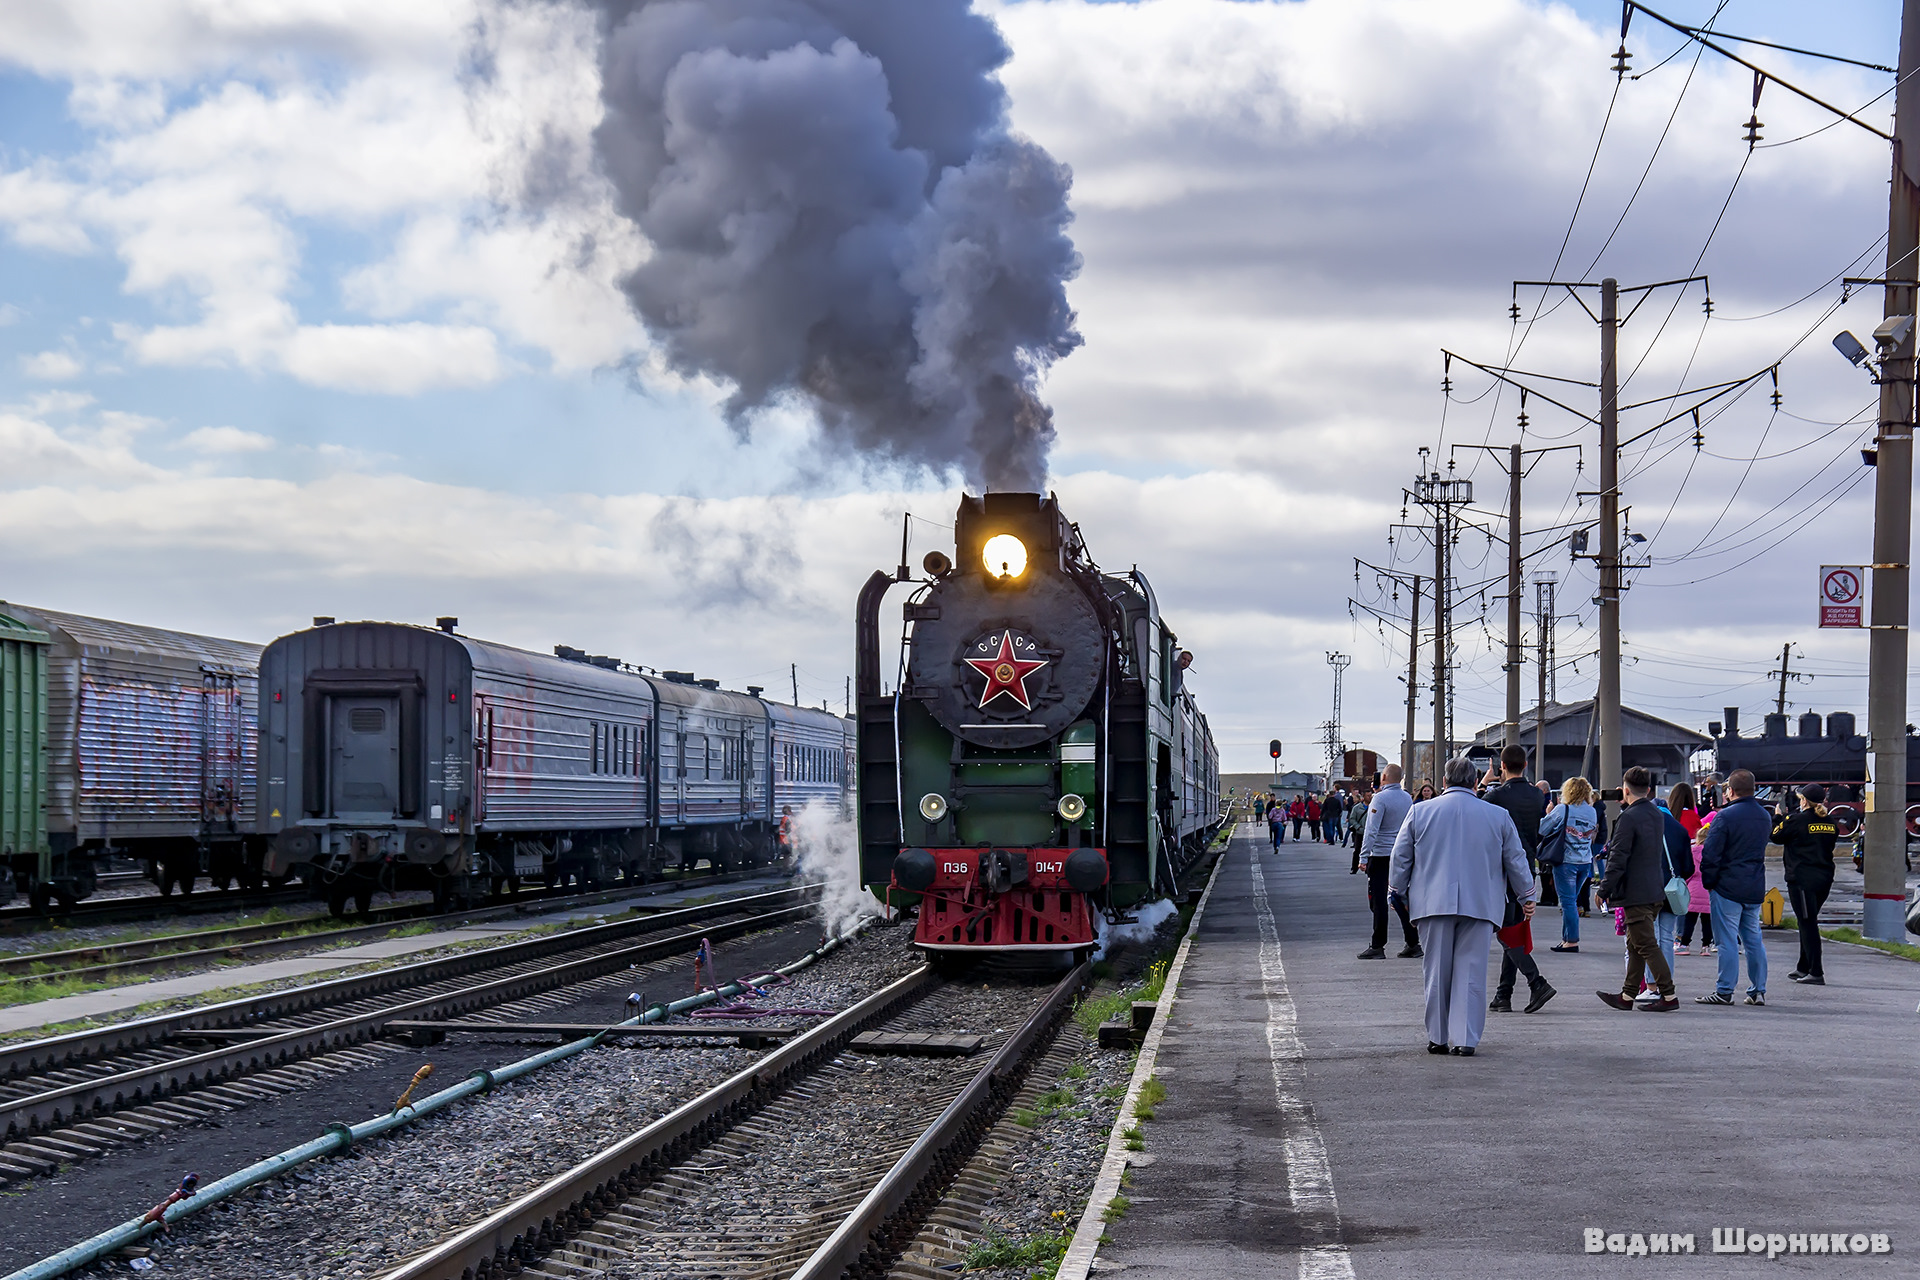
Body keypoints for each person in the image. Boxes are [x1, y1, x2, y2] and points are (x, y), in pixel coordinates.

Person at [1388, 756, 1535, 1055]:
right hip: (1480, 903)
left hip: (1432, 902)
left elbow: (1400, 856)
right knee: (1471, 970)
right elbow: (1516, 860)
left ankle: (1438, 1037)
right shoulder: (1497, 815)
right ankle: (1465, 1039)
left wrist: (1396, 891)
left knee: (1436, 970)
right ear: (1473, 781)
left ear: (1444, 781)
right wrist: (1527, 895)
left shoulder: (1420, 812)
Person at [1595, 766, 1679, 1012]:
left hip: (1636, 893)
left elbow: (1618, 856)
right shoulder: (1656, 814)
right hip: (1654, 889)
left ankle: (1669, 995)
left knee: (1646, 946)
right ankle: (1627, 995)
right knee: (1635, 944)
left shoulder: (1629, 817)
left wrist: (1604, 888)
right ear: (1650, 790)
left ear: (1626, 789)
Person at [1482, 745, 1555, 1015]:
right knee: (1512, 928)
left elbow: (1474, 807)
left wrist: (1484, 781)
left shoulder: (1496, 796)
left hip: (1502, 869)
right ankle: (1504, 994)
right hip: (1528, 865)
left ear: (1502, 766)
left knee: (1505, 931)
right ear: (1525, 765)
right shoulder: (1537, 795)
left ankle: (1537, 982)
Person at [1697, 769, 1770, 1006]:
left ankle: (1724, 990)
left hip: (1727, 886)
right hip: (1754, 884)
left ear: (1730, 790)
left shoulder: (1725, 817)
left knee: (1727, 940)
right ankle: (1758, 990)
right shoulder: (1764, 815)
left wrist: (1709, 882)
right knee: (1753, 939)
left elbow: (1711, 853)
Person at [1774, 783, 1839, 986]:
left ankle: (1816, 971)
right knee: (1808, 920)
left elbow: (1775, 836)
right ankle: (1804, 966)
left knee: (1807, 923)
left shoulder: (1796, 820)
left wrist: (1778, 817)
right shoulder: (1830, 822)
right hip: (1824, 878)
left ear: (1803, 801)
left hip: (1802, 879)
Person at [1358, 766, 1420, 960]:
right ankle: (1412, 942)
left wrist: (1363, 856)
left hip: (1381, 854)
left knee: (1378, 902)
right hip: (1401, 854)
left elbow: (1371, 830)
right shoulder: (1406, 798)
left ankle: (1378, 945)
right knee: (1399, 897)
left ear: (1383, 777)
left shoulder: (1380, 799)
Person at [1539, 777, 1598, 951]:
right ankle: (1566, 938)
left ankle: (1571, 940)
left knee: (1568, 903)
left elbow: (1542, 829)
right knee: (1571, 901)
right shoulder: (1591, 811)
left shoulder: (1562, 809)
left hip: (1566, 861)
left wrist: (1549, 813)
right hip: (1585, 861)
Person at [1347, 789, 1370, 872]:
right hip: (1360, 832)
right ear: (1363, 797)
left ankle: (1368, 868)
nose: (1370, 797)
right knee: (1357, 850)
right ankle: (1354, 867)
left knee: (1370, 851)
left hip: (1370, 833)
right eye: (1368, 796)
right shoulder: (1357, 808)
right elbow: (1352, 819)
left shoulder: (1374, 807)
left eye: (1370, 795)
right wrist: (1358, 827)